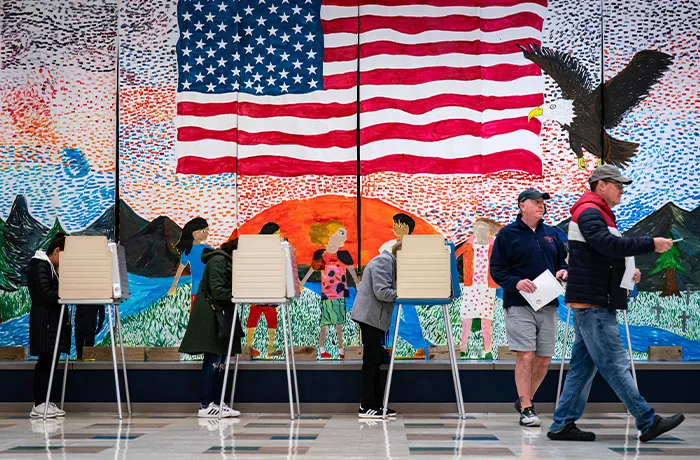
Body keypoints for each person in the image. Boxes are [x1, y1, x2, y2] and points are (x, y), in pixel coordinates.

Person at [548, 165, 684, 442]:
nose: (623, 189)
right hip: (596, 303)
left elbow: (602, 254)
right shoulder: (590, 212)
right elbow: (606, 245)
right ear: (601, 185)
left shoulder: (595, 213)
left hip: (592, 301)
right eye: (618, 184)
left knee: (583, 367)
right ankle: (647, 421)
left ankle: (562, 424)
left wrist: (625, 271)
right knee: (615, 363)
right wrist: (651, 244)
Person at [490, 188, 568, 427]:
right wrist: (516, 282)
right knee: (526, 355)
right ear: (522, 205)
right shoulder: (507, 235)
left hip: (548, 304)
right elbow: (497, 270)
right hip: (519, 304)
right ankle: (527, 408)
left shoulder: (553, 234)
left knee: (544, 359)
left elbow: (563, 262)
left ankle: (525, 399)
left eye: (542, 202)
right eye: (535, 202)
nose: (540, 205)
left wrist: (564, 272)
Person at [179, 238, 243, 418]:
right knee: (213, 359)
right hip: (211, 315)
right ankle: (206, 405)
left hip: (219, 314)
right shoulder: (218, 261)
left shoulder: (225, 261)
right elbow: (218, 291)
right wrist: (240, 293)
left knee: (220, 360)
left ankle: (217, 402)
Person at [351, 241, 400, 418]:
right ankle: (366, 405)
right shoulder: (383, 262)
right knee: (371, 361)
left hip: (374, 318)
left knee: (376, 360)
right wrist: (405, 292)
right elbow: (382, 292)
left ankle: (376, 405)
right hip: (369, 317)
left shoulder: (389, 263)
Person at [300, 220, 360, 360]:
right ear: (330, 235)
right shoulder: (321, 255)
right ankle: (322, 348)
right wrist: (302, 283)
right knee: (325, 323)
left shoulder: (343, 255)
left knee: (339, 323)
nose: (345, 238)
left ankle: (340, 349)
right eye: (341, 234)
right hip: (327, 295)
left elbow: (351, 271)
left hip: (339, 295)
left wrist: (358, 284)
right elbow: (312, 270)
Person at [27, 232, 70, 418]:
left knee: (50, 361)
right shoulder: (40, 266)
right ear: (57, 251)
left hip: (51, 323)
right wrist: (65, 293)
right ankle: (39, 403)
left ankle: (45, 400)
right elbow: (45, 293)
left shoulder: (50, 267)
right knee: (45, 362)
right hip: (44, 322)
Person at [381, 213, 434, 359]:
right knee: (390, 318)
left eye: (396, 225)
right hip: (392, 288)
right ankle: (388, 348)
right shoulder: (387, 246)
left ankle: (420, 348)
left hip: (409, 287)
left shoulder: (416, 246)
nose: (393, 228)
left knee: (410, 316)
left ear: (405, 227)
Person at [456, 218, 502, 359]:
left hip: (488, 287)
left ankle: (487, 349)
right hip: (471, 286)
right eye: (477, 227)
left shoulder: (494, 245)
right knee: (466, 318)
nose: (479, 229)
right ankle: (463, 348)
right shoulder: (470, 244)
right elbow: (455, 255)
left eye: (483, 227)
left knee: (486, 319)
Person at [246, 222, 283, 358]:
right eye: (277, 234)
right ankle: (249, 348)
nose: (280, 236)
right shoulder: (257, 252)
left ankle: (270, 350)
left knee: (272, 324)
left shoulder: (277, 251)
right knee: (252, 322)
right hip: (258, 296)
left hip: (271, 297)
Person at [168, 218, 212, 313]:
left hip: (203, 291)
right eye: (204, 231)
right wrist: (173, 286)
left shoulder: (206, 249)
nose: (207, 233)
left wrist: (173, 286)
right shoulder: (201, 250)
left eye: (208, 230)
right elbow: (180, 269)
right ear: (194, 233)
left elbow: (180, 269)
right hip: (201, 291)